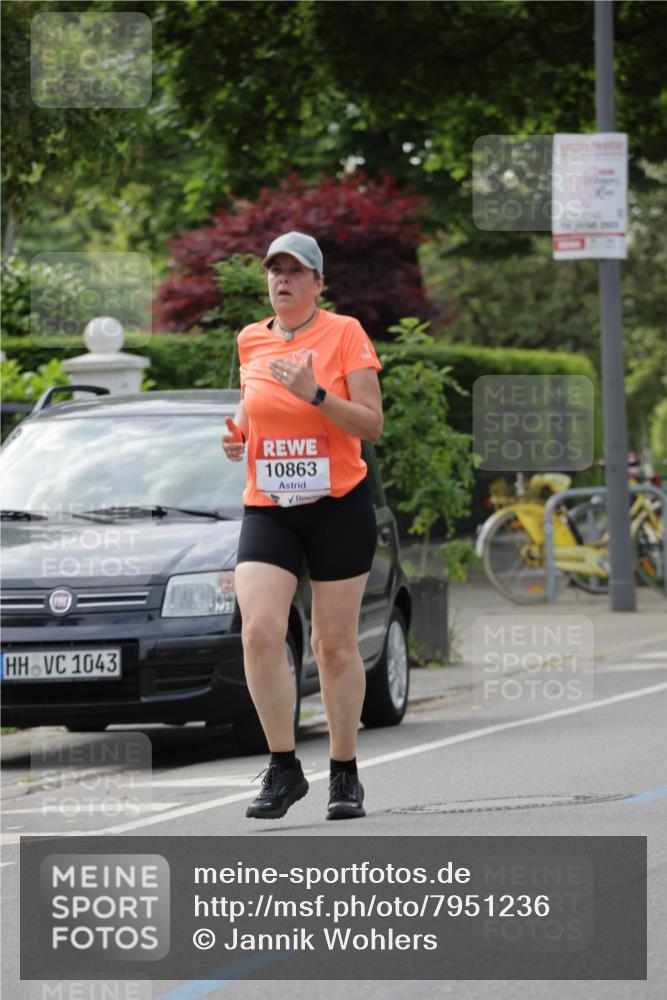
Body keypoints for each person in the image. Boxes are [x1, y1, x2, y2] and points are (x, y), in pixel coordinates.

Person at [221, 231, 383, 821]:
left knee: (332, 645)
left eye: (295, 271)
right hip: (269, 505)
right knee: (260, 629)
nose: (282, 280)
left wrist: (315, 393)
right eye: (274, 270)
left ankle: (344, 773)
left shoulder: (345, 334)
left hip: (338, 503)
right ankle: (284, 767)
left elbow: (370, 423)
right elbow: (253, 397)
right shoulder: (250, 340)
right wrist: (237, 430)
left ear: (318, 282)